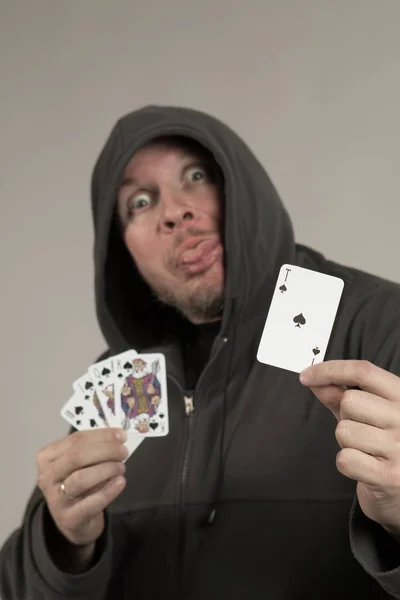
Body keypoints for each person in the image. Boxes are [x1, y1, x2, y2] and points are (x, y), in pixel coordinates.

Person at [1, 105, 400, 599]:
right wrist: (64, 545)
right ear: (119, 247)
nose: (174, 211)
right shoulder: (119, 379)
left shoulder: (380, 325)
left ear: (243, 187)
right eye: (139, 203)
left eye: (195, 176)